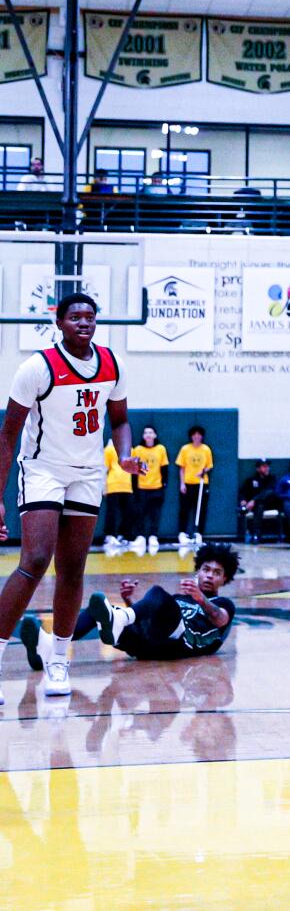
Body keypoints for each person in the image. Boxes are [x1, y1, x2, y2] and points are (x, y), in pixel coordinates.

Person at [0, 293, 138, 700]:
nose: (84, 322)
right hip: (43, 469)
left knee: (73, 567)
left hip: (88, 472)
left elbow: (121, 420)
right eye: (75, 316)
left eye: (90, 316)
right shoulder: (37, 367)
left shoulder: (112, 363)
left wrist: (125, 457)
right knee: (36, 559)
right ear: (58, 322)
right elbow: (8, 436)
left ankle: (58, 659)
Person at [22, 543, 238, 666]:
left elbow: (220, 619)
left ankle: (121, 618)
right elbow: (151, 622)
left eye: (217, 573)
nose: (210, 576)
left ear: (225, 579)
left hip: (181, 645)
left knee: (159, 594)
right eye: (206, 570)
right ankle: (48, 647)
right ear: (198, 570)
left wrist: (201, 598)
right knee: (100, 610)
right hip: (149, 646)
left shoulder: (223, 603)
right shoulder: (181, 598)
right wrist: (129, 600)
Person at [131, 424, 168, 554]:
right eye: (145, 432)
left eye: (150, 432)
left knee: (155, 514)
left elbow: (164, 468)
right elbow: (134, 471)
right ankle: (140, 537)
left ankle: (153, 537)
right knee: (140, 513)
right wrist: (134, 488)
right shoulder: (138, 449)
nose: (148, 435)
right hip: (141, 488)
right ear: (143, 436)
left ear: (155, 435)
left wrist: (164, 484)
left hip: (157, 487)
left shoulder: (161, 449)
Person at [175, 425, 213, 548]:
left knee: (201, 510)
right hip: (188, 483)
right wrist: (182, 483)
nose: (196, 436)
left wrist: (203, 471)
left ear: (202, 436)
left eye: (199, 434)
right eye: (194, 434)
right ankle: (182, 533)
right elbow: (181, 468)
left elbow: (209, 465)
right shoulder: (185, 449)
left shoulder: (206, 449)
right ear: (191, 436)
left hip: (202, 484)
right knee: (185, 509)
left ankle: (198, 533)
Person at [101, 438, 135, 552]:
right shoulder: (109, 450)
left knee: (129, 513)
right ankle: (109, 536)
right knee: (112, 513)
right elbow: (104, 469)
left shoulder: (131, 450)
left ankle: (123, 536)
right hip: (113, 485)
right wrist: (104, 487)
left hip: (127, 487)